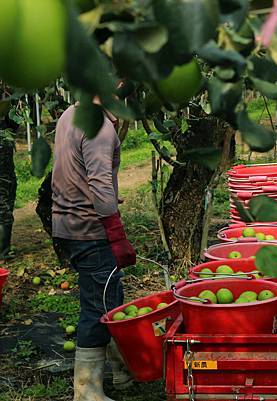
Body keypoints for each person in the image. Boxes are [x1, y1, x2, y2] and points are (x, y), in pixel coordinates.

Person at [52, 98, 136, 400]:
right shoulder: (98, 125)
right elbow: (99, 184)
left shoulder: (70, 114)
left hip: (67, 225)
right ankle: (87, 392)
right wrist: (116, 233)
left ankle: (122, 370)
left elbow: (72, 171)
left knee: (109, 296)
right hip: (90, 230)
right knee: (98, 308)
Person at [0, 111, 17, 263]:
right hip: (4, 174)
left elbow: (15, 124)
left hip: (7, 173)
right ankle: (3, 251)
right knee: (4, 207)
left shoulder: (6, 123)